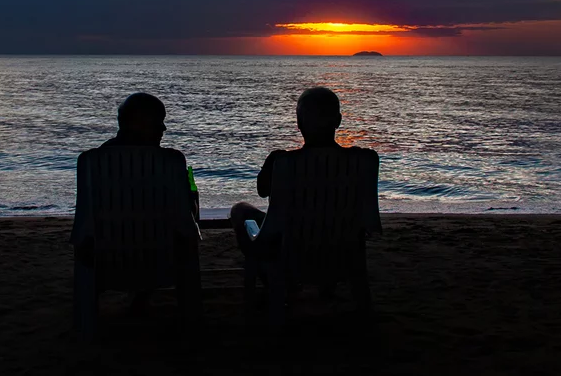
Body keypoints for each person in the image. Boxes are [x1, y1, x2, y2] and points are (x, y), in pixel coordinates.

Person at [71, 93, 200, 319]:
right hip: (162, 260)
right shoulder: (171, 162)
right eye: (158, 121)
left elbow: (84, 217)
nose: (164, 128)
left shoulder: (93, 162)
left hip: (103, 259)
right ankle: (144, 299)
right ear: (138, 122)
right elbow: (185, 218)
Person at [230, 86, 381, 279]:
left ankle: (271, 283)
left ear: (299, 122)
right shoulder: (363, 160)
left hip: (292, 247)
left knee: (240, 210)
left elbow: (262, 190)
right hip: (342, 248)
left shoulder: (281, 161)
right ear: (338, 121)